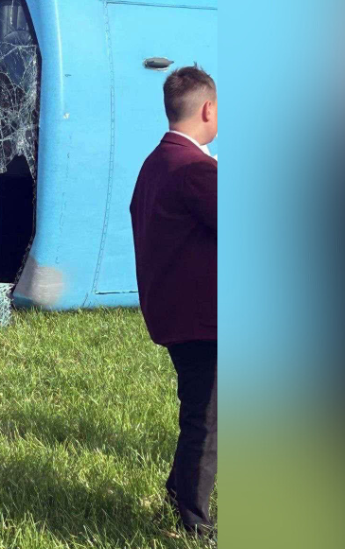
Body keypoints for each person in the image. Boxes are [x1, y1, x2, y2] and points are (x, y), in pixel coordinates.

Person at [129, 65, 218, 534]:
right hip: (205, 320)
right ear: (208, 108)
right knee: (206, 423)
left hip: (174, 312)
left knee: (204, 414)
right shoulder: (196, 170)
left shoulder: (157, 163)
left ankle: (178, 492)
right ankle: (194, 523)